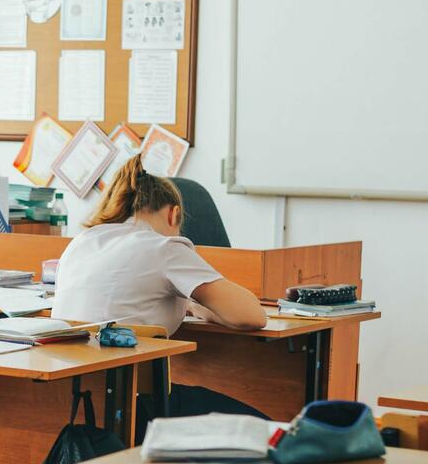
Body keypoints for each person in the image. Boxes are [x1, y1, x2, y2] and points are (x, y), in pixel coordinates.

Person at [53, 154, 268, 429]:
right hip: (136, 407)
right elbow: (252, 315)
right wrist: (204, 309)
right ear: (173, 214)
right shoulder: (164, 247)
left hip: (71, 401)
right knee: (266, 427)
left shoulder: (81, 242)